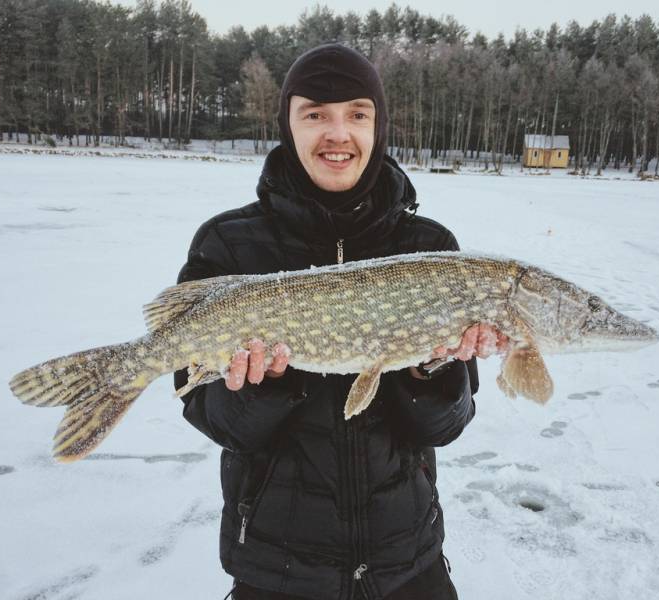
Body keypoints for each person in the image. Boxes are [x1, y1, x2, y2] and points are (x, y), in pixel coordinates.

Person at [175, 43, 506, 600]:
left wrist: (434, 368)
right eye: (315, 115)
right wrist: (268, 382)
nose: (337, 133)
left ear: (378, 127)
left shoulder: (430, 250)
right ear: (288, 125)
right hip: (277, 569)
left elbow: (444, 428)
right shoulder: (229, 245)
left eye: (357, 114)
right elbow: (214, 418)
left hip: (407, 562)